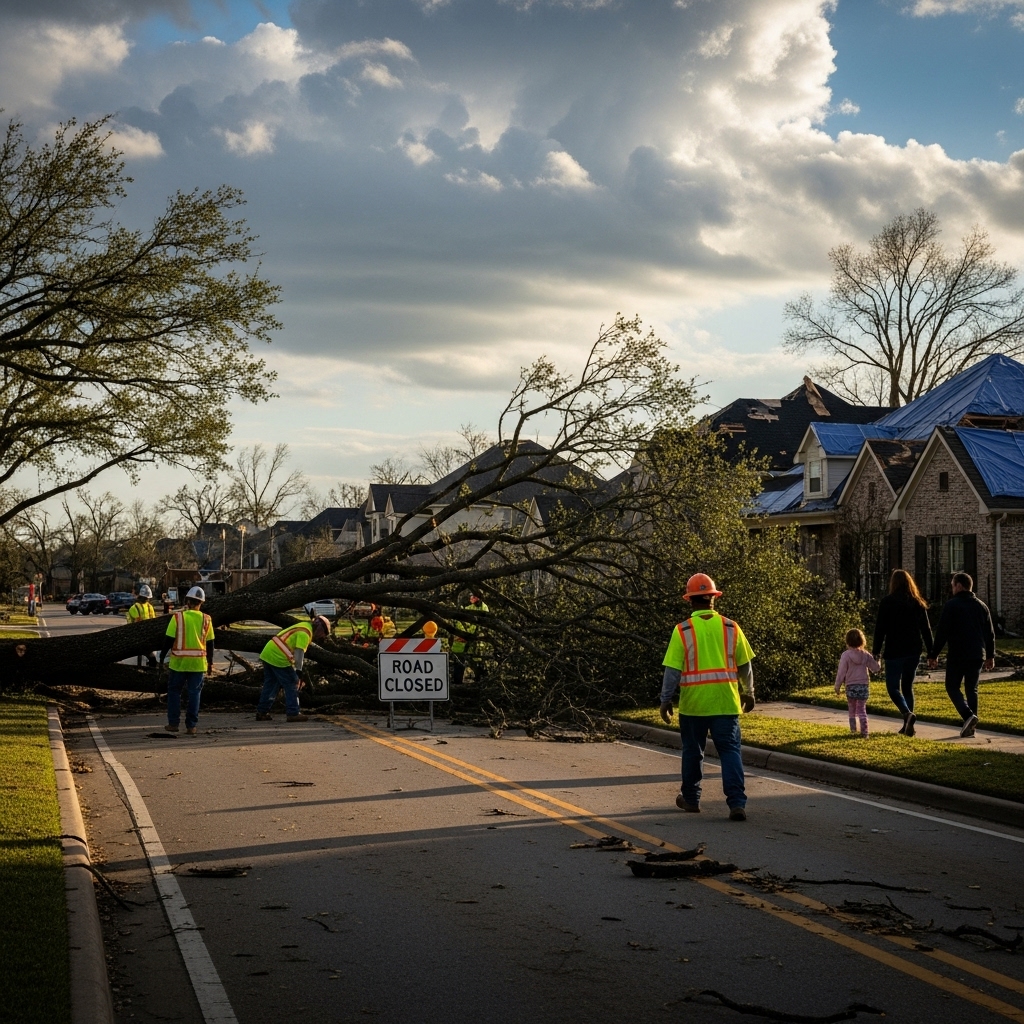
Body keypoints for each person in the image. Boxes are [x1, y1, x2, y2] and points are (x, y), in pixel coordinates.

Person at [659, 573, 755, 821]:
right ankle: (736, 803)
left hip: (694, 705)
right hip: (726, 702)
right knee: (730, 751)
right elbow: (745, 666)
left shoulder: (682, 630)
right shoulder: (731, 627)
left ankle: (691, 799)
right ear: (713, 598)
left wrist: (665, 700)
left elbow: (672, 671)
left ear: (690, 601)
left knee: (693, 751)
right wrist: (749, 692)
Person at [929, 572, 995, 738]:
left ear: (959, 585)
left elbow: (942, 632)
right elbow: (990, 633)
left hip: (958, 654)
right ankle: (971, 726)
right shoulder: (982, 606)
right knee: (971, 689)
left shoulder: (952, 605)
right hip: (977, 654)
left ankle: (968, 716)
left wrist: (933, 654)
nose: (952, 588)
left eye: (952, 585)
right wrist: (990, 655)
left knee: (952, 687)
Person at [872, 569, 933, 737]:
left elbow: (880, 629)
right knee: (907, 686)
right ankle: (908, 724)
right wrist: (931, 652)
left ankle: (907, 714)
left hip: (894, 651)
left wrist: (876, 651)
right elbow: (926, 630)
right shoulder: (918, 603)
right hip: (913, 650)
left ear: (893, 583)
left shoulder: (887, 602)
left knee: (892, 687)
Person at [159, 586, 214, 736]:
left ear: (187, 601)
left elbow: (168, 640)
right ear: (201, 603)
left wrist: (161, 657)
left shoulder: (178, 617)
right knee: (194, 694)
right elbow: (210, 644)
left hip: (179, 663)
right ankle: (191, 726)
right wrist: (210, 663)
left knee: (174, 692)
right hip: (198, 664)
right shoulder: (207, 619)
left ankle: (173, 723)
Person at [255, 614, 332, 722]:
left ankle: (262, 712)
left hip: (268, 653)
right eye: (323, 634)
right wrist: (298, 672)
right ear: (320, 630)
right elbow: (299, 653)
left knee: (271, 684)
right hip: (278, 657)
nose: (321, 637)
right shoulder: (305, 633)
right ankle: (293, 713)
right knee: (292, 683)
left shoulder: (304, 625)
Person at [836, 629, 879, 737]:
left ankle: (853, 731)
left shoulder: (845, 655)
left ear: (847, 641)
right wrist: (879, 660)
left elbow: (841, 672)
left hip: (850, 686)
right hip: (863, 686)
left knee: (852, 709)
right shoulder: (865, 655)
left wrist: (837, 686)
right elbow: (876, 668)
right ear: (862, 640)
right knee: (861, 709)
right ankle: (865, 732)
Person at [451, 592, 490, 686]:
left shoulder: (483, 608)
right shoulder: (469, 608)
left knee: (476, 663)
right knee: (459, 662)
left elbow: (481, 625)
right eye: (471, 596)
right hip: (461, 640)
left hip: (474, 641)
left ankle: (481, 682)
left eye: (474, 596)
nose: (471, 598)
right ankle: (458, 683)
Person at [126, 584, 158, 668]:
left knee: (152, 657)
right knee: (152, 657)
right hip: (140, 639)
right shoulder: (136, 608)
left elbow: (153, 622)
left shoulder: (146, 607)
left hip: (142, 638)